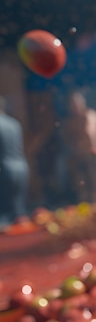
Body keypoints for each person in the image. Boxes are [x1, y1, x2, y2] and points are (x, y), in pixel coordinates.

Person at [61, 90, 96, 203]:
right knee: (82, 190)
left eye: (76, 102)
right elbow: (67, 139)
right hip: (79, 158)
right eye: (71, 103)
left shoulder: (90, 115)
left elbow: (91, 134)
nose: (74, 105)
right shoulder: (69, 122)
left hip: (94, 156)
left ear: (82, 102)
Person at [0, 95, 29, 227]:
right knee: (18, 210)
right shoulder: (14, 123)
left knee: (4, 214)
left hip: (4, 169)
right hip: (21, 167)